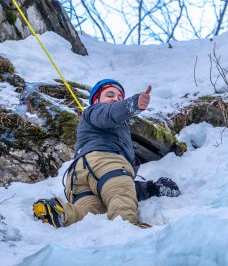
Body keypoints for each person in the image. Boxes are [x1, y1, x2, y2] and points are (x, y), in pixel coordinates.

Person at [33, 79, 179, 228]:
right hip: (104, 161)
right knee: (120, 195)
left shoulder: (98, 121)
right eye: (110, 95)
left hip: (80, 177)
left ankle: (61, 212)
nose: (115, 99)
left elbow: (120, 184)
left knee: (91, 216)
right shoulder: (96, 111)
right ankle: (128, 229)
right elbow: (120, 185)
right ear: (96, 100)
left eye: (119, 98)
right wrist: (133, 104)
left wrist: (152, 188)